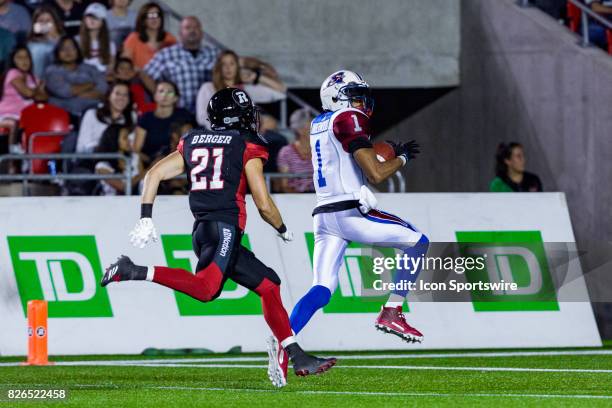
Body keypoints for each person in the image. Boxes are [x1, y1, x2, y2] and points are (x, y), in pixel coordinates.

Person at [100, 87, 336, 388]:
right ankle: (132, 269)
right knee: (206, 290)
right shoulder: (246, 144)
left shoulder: (193, 140)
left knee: (269, 285)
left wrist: (146, 216)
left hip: (205, 231)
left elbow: (153, 175)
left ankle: (295, 354)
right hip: (223, 227)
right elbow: (263, 203)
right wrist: (282, 228)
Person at [288, 70, 428, 343]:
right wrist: (401, 158)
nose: (362, 103)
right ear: (337, 98)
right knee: (418, 242)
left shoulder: (319, 123)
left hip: (324, 217)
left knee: (322, 288)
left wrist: (378, 153)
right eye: (355, 97)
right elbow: (375, 173)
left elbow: (345, 160)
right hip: (349, 212)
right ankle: (392, 311)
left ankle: (285, 338)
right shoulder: (346, 117)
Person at [143, 16, 218, 114]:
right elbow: (145, 75)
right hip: (177, 113)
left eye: (196, 27)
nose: (192, 30)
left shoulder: (213, 53)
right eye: (187, 28)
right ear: (180, 33)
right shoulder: (166, 54)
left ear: (202, 33)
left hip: (208, 113)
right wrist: (161, 96)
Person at [195, 49, 286, 127]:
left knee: (275, 135)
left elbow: (281, 91)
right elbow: (202, 118)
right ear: (219, 67)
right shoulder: (208, 88)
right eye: (224, 64)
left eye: (232, 64)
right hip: (219, 135)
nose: (228, 68)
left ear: (237, 67)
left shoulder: (245, 89)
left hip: (246, 135)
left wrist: (256, 77)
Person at [0, 45, 47, 172]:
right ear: (13, 61)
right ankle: (12, 160)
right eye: (19, 58)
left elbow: (43, 97)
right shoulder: (13, 73)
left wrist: (37, 91)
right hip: (7, 115)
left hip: (27, 116)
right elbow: (28, 93)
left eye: (26, 57)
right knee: (14, 123)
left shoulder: (32, 77)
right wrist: (39, 88)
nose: (24, 61)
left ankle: (37, 165)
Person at [44, 35, 108, 117]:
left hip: (93, 112)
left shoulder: (91, 69)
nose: (68, 52)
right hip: (63, 115)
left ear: (77, 51)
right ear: (57, 53)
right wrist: (90, 85)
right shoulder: (51, 71)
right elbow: (65, 92)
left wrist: (81, 93)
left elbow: (103, 88)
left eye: (71, 48)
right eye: (63, 49)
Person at [132, 80, 191, 166]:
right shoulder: (145, 118)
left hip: (175, 163)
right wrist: (152, 162)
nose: (165, 95)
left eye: (170, 92)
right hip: (149, 164)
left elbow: (187, 146)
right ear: (155, 96)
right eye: (161, 91)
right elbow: (136, 149)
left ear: (176, 98)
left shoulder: (183, 115)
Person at [76, 80, 134, 153]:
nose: (121, 98)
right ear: (109, 96)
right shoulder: (92, 114)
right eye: (117, 94)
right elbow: (81, 147)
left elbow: (132, 146)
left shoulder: (132, 118)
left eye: (125, 95)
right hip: (93, 159)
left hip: (120, 160)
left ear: (129, 100)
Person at [121, 2, 175, 70]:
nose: (154, 19)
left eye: (157, 15)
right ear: (143, 20)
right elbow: (125, 65)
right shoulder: (133, 38)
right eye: (150, 15)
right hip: (139, 78)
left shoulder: (169, 38)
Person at [94, 124, 143, 195]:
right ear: (114, 140)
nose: (129, 140)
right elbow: (123, 187)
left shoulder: (135, 157)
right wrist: (148, 171)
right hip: (110, 204)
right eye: (125, 137)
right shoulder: (102, 166)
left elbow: (142, 183)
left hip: (136, 201)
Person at [277, 108, 315, 193]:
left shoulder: (321, 149)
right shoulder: (286, 152)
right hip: (297, 199)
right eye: (311, 128)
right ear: (300, 130)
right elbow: (285, 185)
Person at [76, 2, 116, 74]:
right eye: (89, 17)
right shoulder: (76, 41)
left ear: (103, 21)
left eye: (96, 17)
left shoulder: (110, 44)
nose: (91, 20)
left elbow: (111, 66)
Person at [27, 5, 64, 78]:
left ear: (55, 22)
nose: (44, 24)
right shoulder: (32, 45)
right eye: (41, 21)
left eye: (48, 20)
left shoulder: (65, 40)